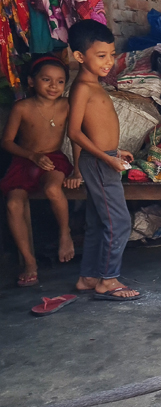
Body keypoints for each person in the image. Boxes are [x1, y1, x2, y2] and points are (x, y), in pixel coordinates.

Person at [67, 20, 141, 300]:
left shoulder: (94, 85)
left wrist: (116, 151)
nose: (109, 61)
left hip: (105, 158)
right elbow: (73, 132)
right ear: (79, 57)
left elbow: (94, 129)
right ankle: (108, 281)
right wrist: (107, 159)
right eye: (101, 56)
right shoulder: (83, 88)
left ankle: (88, 277)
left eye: (111, 54)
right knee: (119, 221)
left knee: (99, 220)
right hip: (98, 163)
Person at [0, 55, 82, 287]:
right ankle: (29, 262)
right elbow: (6, 141)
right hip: (24, 161)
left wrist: (77, 171)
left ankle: (64, 235)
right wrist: (32, 155)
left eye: (59, 81)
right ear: (31, 81)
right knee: (13, 203)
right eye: (46, 80)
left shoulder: (67, 105)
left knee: (53, 188)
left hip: (54, 159)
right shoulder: (22, 108)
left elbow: (75, 138)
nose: (53, 86)